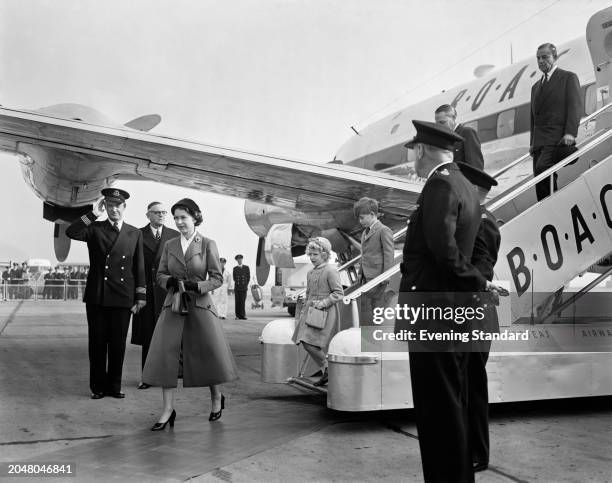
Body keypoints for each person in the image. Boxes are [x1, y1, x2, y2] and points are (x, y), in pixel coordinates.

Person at [398, 120, 502, 483]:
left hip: (433, 315)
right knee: (452, 405)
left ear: (422, 150)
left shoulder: (441, 183)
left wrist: (477, 283)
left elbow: (445, 250)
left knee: (436, 411)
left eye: (413, 151)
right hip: (451, 316)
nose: (412, 158)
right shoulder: (465, 186)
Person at [142, 198, 238, 430]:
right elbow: (160, 275)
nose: (179, 222)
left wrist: (198, 287)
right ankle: (167, 410)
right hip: (174, 304)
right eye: (176, 218)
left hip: (200, 306)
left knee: (208, 355)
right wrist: (171, 282)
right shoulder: (170, 245)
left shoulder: (207, 244)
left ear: (195, 217)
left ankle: (216, 399)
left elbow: (216, 277)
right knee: (166, 357)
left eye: (183, 217)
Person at [66, 188, 146, 399]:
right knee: (98, 344)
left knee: (118, 345)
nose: (113, 209)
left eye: (117, 206)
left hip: (122, 297)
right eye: (109, 205)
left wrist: (141, 297)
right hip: (98, 296)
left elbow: (139, 267)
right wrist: (93, 213)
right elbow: (71, 232)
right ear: (106, 207)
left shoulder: (134, 232)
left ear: (124, 207)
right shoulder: (95, 229)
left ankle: (114, 387)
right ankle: (98, 387)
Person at [457, 161, 502, 474]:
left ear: (474, 191)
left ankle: (478, 453)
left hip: (476, 311)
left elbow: (484, 266)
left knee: (473, 384)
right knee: (464, 382)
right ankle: (466, 448)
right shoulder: (474, 219)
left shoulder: (482, 221)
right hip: (469, 311)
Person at [131, 202, 179, 389]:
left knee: (169, 338)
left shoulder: (174, 235)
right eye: (157, 212)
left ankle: (168, 376)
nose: (161, 215)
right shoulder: (137, 234)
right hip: (147, 295)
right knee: (148, 338)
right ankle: (147, 377)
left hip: (167, 292)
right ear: (148, 215)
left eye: (163, 212)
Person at [530, 42, 582, 201]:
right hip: (539, 142)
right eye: (538, 58)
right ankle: (546, 208)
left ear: (555, 57)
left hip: (556, 138)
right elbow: (533, 118)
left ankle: (553, 204)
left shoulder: (567, 77)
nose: (540, 61)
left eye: (545, 57)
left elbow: (574, 106)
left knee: (542, 170)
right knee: (539, 182)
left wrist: (570, 133)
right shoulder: (535, 87)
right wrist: (532, 143)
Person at [292, 237, 343, 387]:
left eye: (316, 254)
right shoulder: (310, 272)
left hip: (325, 312)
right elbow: (308, 294)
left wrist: (323, 303)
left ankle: (328, 368)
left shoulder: (331, 270)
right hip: (311, 311)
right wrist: (303, 312)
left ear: (325, 254)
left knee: (311, 343)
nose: (312, 258)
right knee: (305, 341)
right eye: (311, 254)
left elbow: (338, 293)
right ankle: (327, 369)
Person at [353, 197, 395, 325]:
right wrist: (360, 274)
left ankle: (376, 335)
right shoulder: (365, 232)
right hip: (366, 277)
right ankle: (368, 335)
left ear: (372, 214)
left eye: (362, 218)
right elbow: (364, 254)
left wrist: (386, 276)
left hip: (378, 277)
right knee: (366, 308)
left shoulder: (383, 230)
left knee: (377, 309)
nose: (360, 221)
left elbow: (389, 253)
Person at [435, 104, 484, 170]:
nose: (439, 126)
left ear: (453, 118)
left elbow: (475, 166)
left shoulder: (466, 133)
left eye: (442, 122)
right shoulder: (444, 139)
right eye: (437, 124)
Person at [232, 255, 250, 320]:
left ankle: (242, 315)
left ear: (242, 259)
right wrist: (238, 284)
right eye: (238, 259)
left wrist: (245, 285)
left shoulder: (246, 268)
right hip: (237, 288)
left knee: (242, 301)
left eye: (240, 259)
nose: (239, 260)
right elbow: (234, 278)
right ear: (237, 260)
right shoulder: (235, 268)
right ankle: (237, 315)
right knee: (237, 302)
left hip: (243, 288)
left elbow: (248, 277)